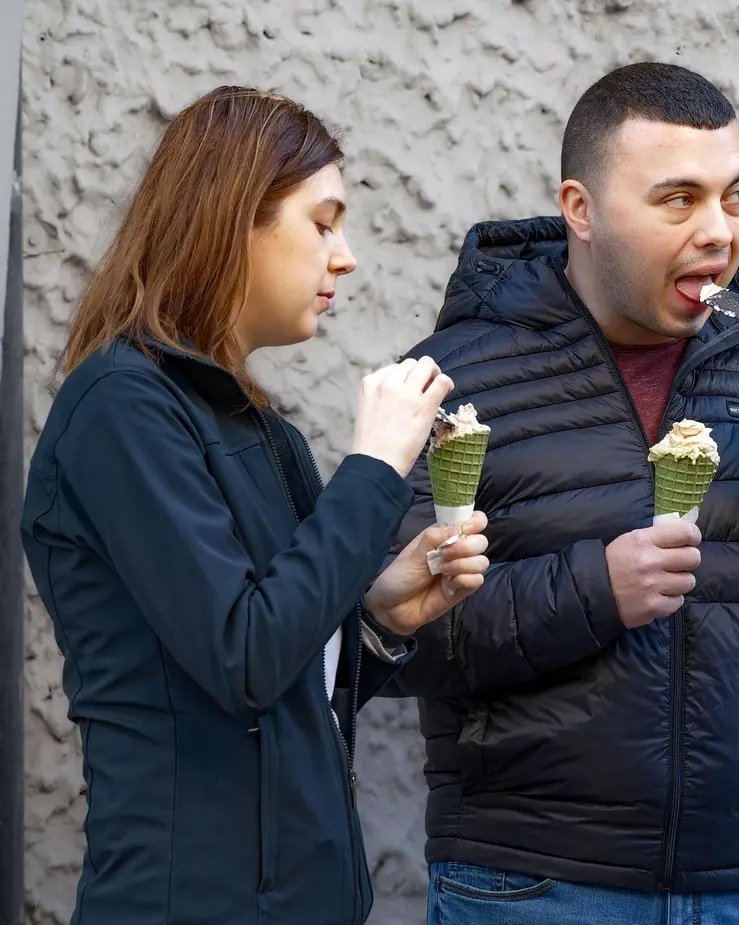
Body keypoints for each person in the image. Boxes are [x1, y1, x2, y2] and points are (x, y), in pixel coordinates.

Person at [386, 62, 739, 923]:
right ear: (580, 209)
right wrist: (596, 590)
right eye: (678, 200)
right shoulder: (458, 381)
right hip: (533, 884)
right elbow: (393, 637)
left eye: (734, 197)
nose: (718, 233)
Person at [21, 86, 490, 925]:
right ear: (232, 216)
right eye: (322, 221)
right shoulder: (121, 411)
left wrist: (378, 618)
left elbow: (284, 670)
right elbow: (244, 658)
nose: (345, 256)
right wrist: (378, 464)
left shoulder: (258, 427)